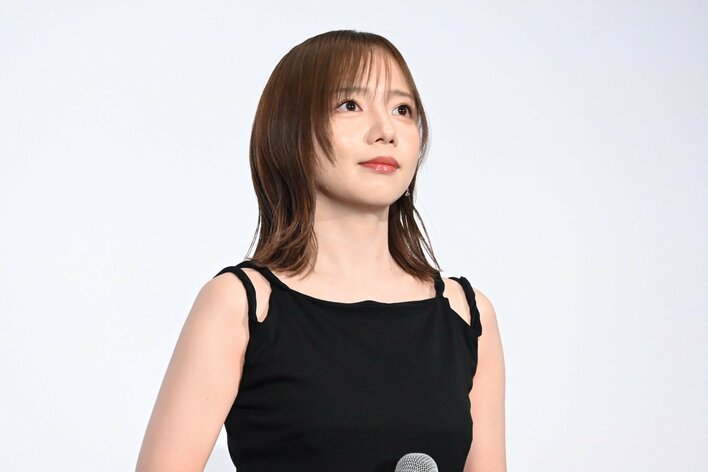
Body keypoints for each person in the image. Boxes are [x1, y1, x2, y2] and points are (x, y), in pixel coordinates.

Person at [136, 30, 506, 472]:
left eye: (402, 109)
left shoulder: (466, 315)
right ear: (291, 130)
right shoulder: (242, 305)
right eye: (350, 105)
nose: (386, 131)